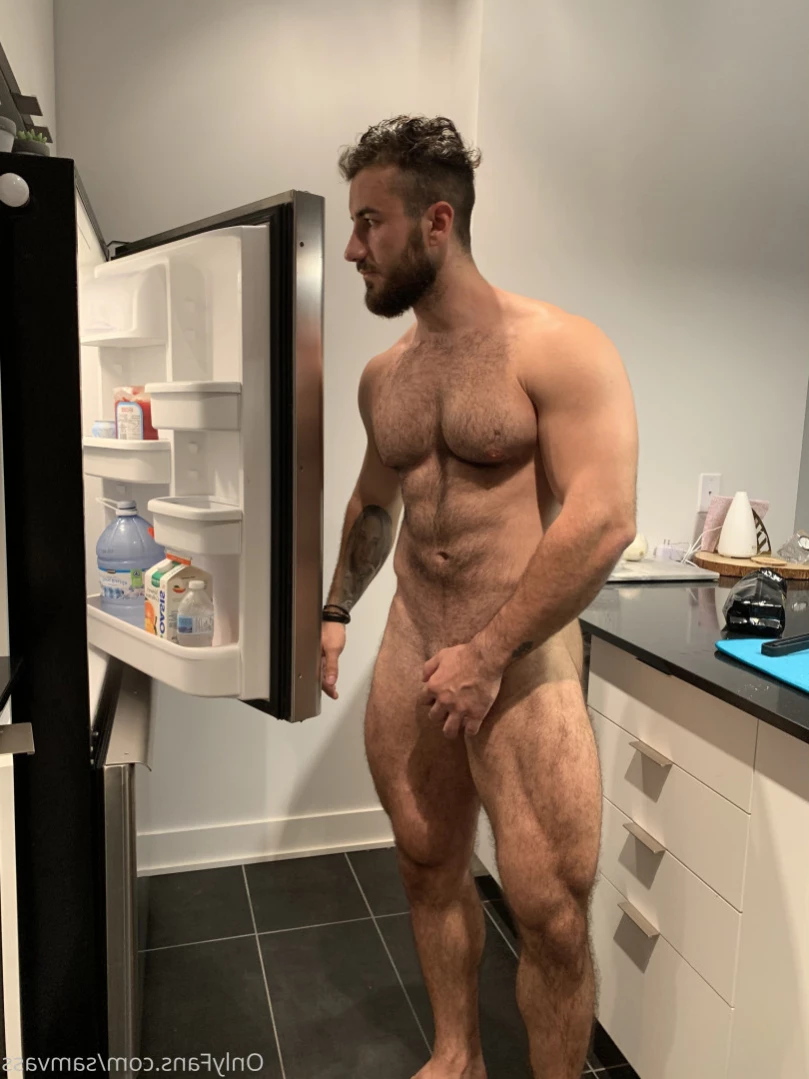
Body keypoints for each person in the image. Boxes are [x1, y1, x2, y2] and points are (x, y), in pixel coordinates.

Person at [321, 115, 638, 1079]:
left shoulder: (559, 349)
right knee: (426, 861)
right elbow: (374, 502)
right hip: (413, 636)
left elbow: (601, 519)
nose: (352, 249)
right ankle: (456, 1054)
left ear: (437, 222)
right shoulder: (386, 378)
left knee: (549, 909)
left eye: (369, 223)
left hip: (521, 651)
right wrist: (334, 613)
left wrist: (489, 653)